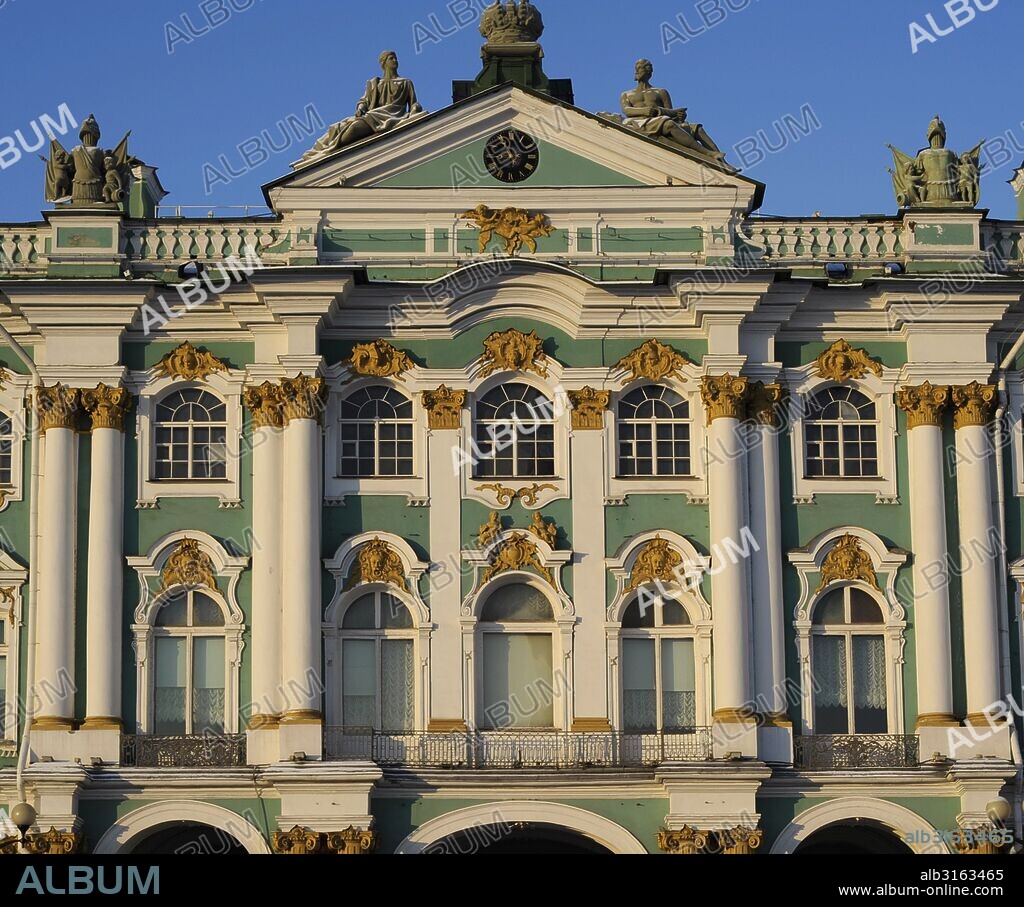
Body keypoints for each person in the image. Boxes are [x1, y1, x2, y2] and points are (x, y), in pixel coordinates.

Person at [299, 51, 424, 166]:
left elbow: (413, 103)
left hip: (392, 116)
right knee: (338, 126)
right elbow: (364, 101)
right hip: (372, 116)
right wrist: (360, 108)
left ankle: (328, 149)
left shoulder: (406, 82)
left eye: (396, 58)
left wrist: (415, 108)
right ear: (383, 63)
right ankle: (317, 152)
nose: (395, 61)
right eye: (391, 58)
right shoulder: (375, 83)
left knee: (353, 128)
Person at [620, 59, 728, 166]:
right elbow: (627, 110)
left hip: (661, 122)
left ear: (648, 72)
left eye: (640, 68)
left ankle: (722, 162)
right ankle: (707, 153)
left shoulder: (660, 92)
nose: (637, 72)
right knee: (668, 123)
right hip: (640, 123)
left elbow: (670, 113)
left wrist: (679, 116)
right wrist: (645, 110)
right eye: (636, 69)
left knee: (697, 128)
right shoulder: (627, 94)